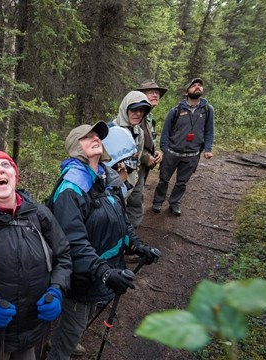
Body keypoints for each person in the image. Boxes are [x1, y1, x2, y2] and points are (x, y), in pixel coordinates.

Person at [46, 122, 160, 360]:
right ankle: (59, 350)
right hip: (82, 277)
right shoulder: (71, 187)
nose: (95, 138)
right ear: (74, 147)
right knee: (73, 323)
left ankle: (71, 339)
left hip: (103, 270)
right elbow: (73, 244)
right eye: (86, 137)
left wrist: (138, 246)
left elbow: (122, 221)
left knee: (86, 315)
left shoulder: (107, 178)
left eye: (97, 135)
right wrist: (105, 273)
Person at [0, 151, 73, 360]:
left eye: (6, 165)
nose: (0, 169)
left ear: (15, 176)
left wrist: (56, 291)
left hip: (33, 330)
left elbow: (63, 256)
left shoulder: (39, 214)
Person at [152, 78, 215, 216]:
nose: (198, 87)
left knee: (182, 182)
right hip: (172, 152)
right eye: (194, 85)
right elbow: (166, 132)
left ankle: (174, 203)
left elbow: (209, 131)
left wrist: (208, 149)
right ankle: (158, 201)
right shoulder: (176, 110)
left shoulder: (207, 110)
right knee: (163, 179)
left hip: (192, 155)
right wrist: (165, 150)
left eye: (200, 85)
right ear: (186, 92)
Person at [125, 80, 167, 228]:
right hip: (130, 170)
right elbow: (127, 144)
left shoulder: (149, 118)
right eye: (151, 92)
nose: (155, 95)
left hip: (140, 171)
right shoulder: (133, 116)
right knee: (131, 203)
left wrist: (155, 152)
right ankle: (126, 238)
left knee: (134, 201)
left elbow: (147, 142)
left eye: (157, 93)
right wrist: (145, 157)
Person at [109, 91, 152, 199]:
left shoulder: (139, 133)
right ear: (125, 110)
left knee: (136, 211)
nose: (138, 113)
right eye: (134, 109)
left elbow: (138, 155)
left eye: (141, 110)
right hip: (112, 186)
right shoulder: (109, 130)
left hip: (133, 181)